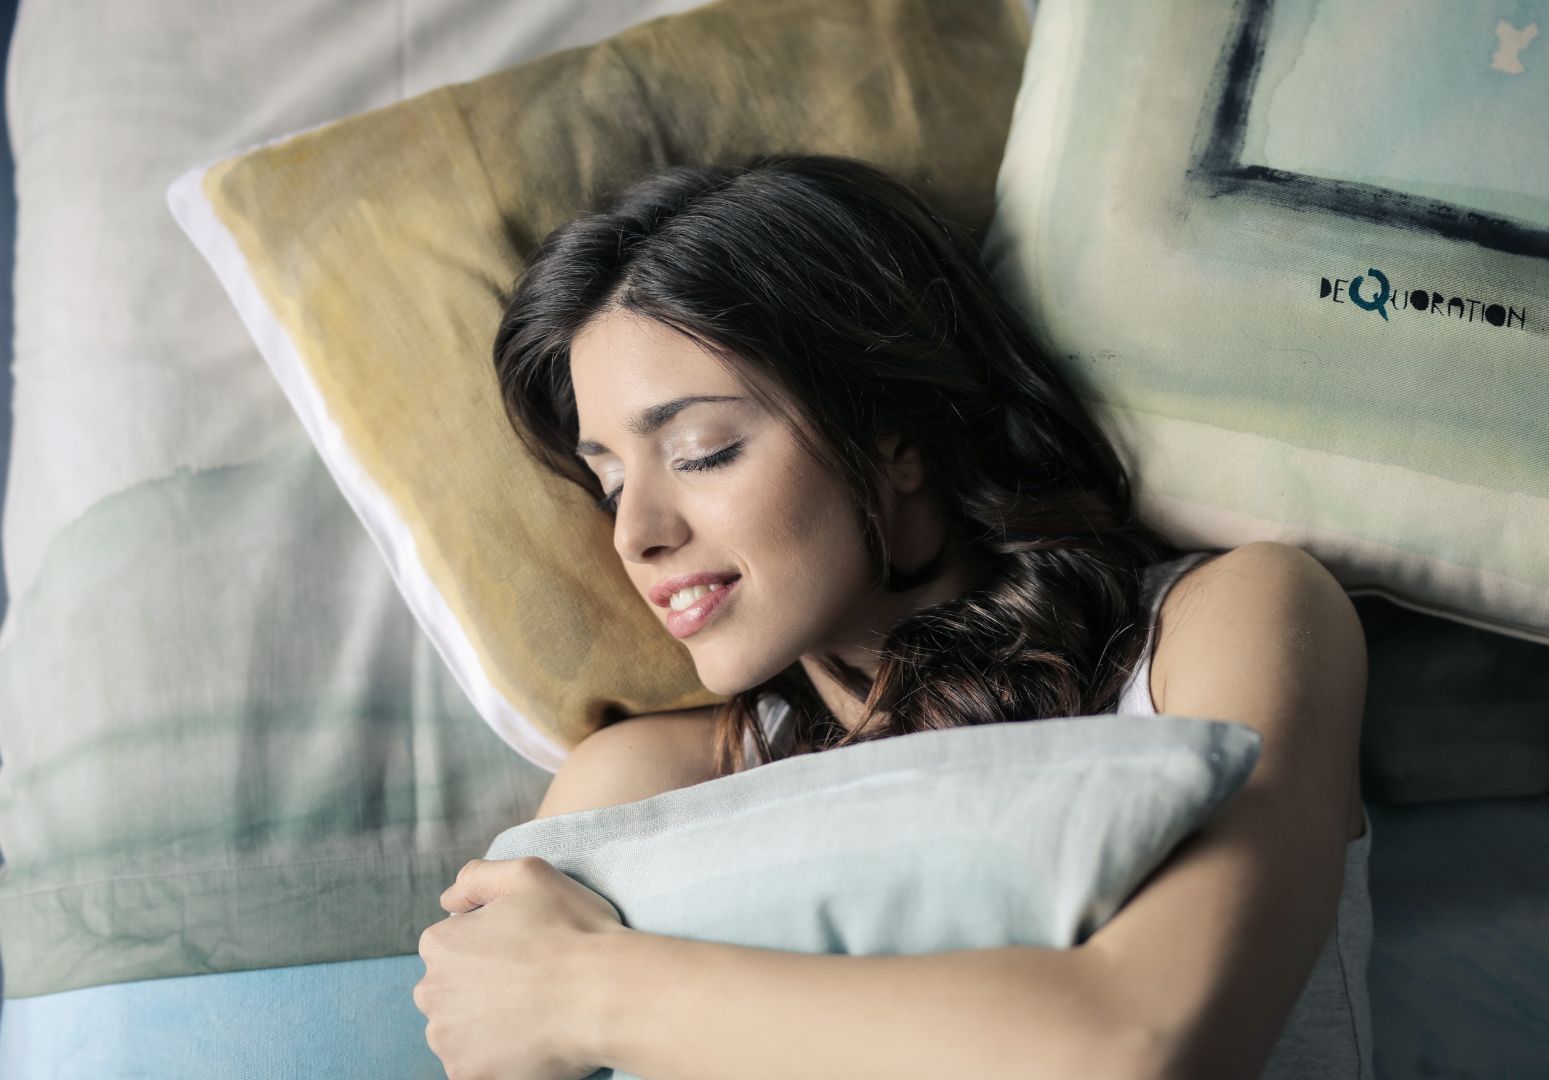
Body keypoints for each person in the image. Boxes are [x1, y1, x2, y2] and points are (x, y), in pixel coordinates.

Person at [414, 154, 1370, 1080]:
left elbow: (1140, 1048)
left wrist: (584, 989)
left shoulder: (1228, 625)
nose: (637, 535)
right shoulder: (642, 788)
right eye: (610, 480)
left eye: (701, 450)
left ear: (895, 436)